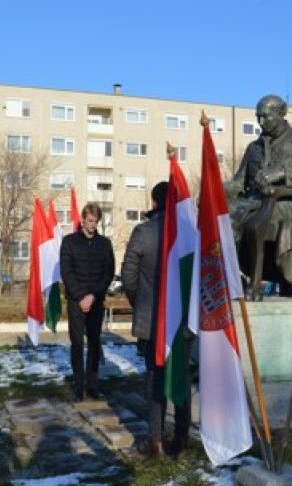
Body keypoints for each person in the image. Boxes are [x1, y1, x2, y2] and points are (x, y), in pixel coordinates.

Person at [228, 94, 292, 297]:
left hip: (287, 205)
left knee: (253, 223)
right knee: (223, 219)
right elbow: (239, 182)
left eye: (266, 117)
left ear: (282, 113)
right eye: (258, 117)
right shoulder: (253, 148)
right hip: (253, 203)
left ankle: (255, 283)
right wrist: (213, 188)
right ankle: (230, 275)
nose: (261, 122)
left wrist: (284, 172)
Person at [121, 181, 193, 457]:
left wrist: (142, 303)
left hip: (154, 322)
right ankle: (182, 438)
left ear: (154, 203)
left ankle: (156, 440)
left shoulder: (143, 231)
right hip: (183, 321)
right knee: (182, 377)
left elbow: (128, 275)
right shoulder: (190, 234)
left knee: (156, 378)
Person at [60, 202, 115, 402]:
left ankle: (92, 385)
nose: (92, 225)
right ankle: (78, 385)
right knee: (76, 343)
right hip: (76, 301)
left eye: (96, 221)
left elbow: (108, 273)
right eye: (90, 221)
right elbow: (67, 272)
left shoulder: (105, 243)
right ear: (82, 219)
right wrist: (82, 296)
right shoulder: (69, 242)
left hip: (96, 300)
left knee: (94, 342)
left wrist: (93, 296)